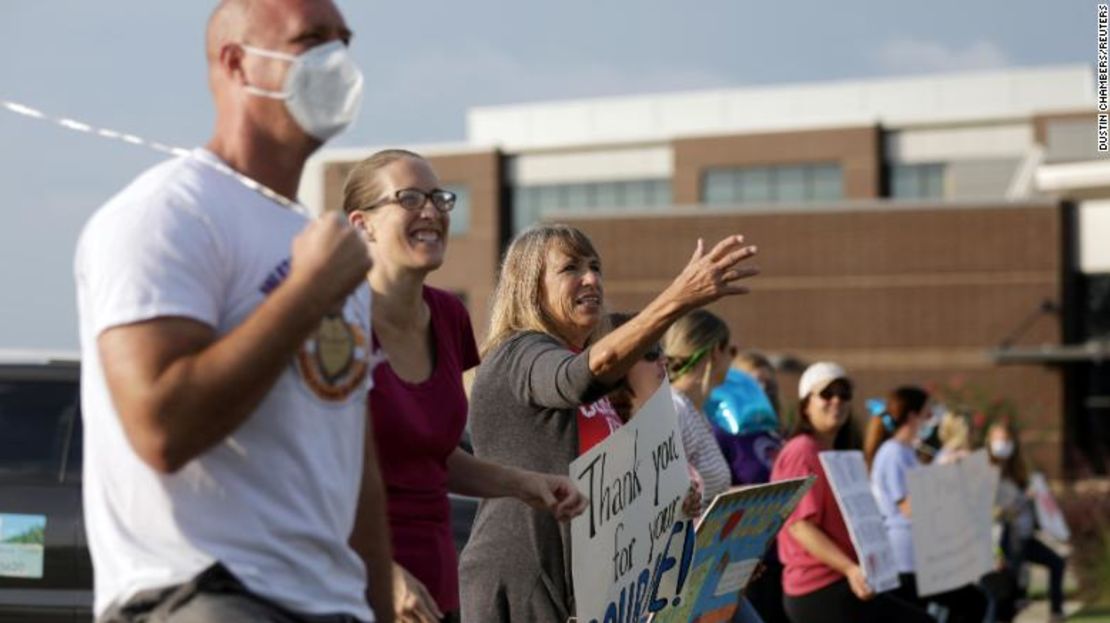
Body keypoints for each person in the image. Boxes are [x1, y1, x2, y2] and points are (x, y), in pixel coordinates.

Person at [73, 1, 394, 621]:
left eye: (344, 42)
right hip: (205, 594)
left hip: (329, 605)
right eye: (312, 40)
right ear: (237, 62)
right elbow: (162, 429)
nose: (339, 62)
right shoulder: (165, 216)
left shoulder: (327, 250)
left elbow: (353, 467)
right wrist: (306, 293)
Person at [458, 224, 759, 623]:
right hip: (527, 580)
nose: (591, 278)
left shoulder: (588, 382)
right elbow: (587, 371)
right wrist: (679, 299)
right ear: (529, 286)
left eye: (595, 267)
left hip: (587, 592)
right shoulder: (518, 352)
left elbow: (605, 496)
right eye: (571, 268)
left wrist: (664, 504)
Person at [342, 149, 588, 623]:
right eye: (409, 198)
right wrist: (381, 572)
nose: (431, 211)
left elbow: (433, 457)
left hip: (434, 588)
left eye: (439, 198)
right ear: (361, 224)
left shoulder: (450, 316)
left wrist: (525, 484)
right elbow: (303, 475)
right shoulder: (330, 320)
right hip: (349, 585)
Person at [770, 363, 931, 623]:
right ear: (805, 404)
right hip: (818, 586)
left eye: (844, 394)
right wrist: (850, 568)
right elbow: (799, 526)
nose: (837, 401)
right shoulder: (801, 451)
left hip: (846, 581)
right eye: (826, 394)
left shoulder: (834, 454)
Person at [865, 387, 989, 623]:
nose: (931, 420)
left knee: (971, 603)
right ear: (912, 416)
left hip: (919, 557)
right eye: (927, 413)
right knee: (972, 603)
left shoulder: (906, 452)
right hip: (905, 560)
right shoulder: (893, 453)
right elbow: (909, 507)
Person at [989, 421, 1067, 623]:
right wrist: (1017, 503)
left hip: (1023, 536)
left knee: (1056, 562)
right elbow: (991, 511)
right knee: (1008, 595)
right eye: (998, 439)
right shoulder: (987, 472)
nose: (1002, 444)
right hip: (1004, 540)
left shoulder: (1018, 472)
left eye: (1006, 440)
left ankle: (1056, 613)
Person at [662, 309, 735, 512]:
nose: (732, 360)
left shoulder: (693, 410)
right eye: (731, 350)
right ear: (715, 352)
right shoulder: (675, 410)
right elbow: (659, 490)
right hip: (682, 542)